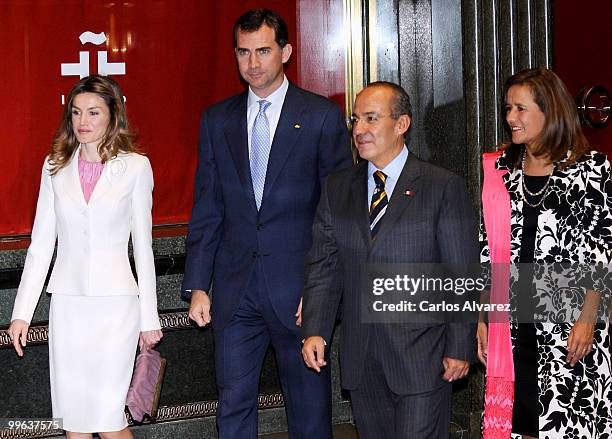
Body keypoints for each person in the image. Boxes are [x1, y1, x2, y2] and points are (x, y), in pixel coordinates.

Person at [181, 8, 352, 438]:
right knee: (232, 405)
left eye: (262, 51)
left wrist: (319, 290)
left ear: (286, 52)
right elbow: (208, 207)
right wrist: (198, 284)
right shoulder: (217, 120)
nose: (252, 63)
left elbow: (334, 213)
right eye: (243, 52)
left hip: (298, 291)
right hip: (236, 291)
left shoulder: (319, 116)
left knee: (308, 411)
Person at [301, 81, 478, 438]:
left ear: (401, 124)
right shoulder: (338, 188)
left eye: (371, 119)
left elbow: (460, 272)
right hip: (362, 359)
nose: (360, 130)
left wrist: (460, 347)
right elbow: (325, 267)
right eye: (355, 120)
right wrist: (315, 329)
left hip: (423, 357)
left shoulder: (441, 186)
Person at [7, 75, 163, 439]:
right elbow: (41, 245)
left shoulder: (136, 167)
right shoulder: (54, 167)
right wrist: (21, 314)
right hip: (69, 305)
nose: (83, 121)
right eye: (76, 112)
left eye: (94, 112)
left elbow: (143, 247)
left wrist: (149, 318)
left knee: (109, 419)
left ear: (113, 115)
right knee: (74, 420)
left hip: (116, 307)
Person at [477, 67, 612, 438]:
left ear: (549, 112)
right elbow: (488, 247)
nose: (510, 118)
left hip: (570, 322)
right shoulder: (501, 168)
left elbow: (603, 250)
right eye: (507, 109)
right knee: (521, 422)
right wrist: (483, 317)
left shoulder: (590, 168)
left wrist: (589, 318)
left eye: (520, 109)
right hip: (512, 321)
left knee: (567, 416)